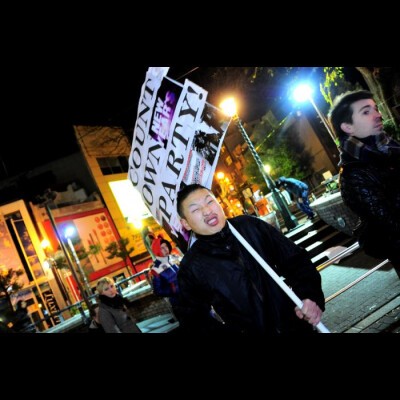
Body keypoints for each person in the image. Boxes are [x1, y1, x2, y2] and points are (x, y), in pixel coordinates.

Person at [175, 183, 325, 335]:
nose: (207, 211)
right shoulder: (191, 266)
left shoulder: (250, 226)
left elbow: (296, 260)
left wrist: (309, 296)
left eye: (209, 201)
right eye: (195, 209)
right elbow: (192, 320)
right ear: (185, 223)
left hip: (296, 326)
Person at [328, 89, 400, 278]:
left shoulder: (391, 149)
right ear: (347, 127)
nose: (378, 115)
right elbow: (391, 224)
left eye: (375, 109)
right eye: (366, 112)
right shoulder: (354, 174)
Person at [149, 238, 180, 314]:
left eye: (166, 246)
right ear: (157, 250)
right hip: (178, 302)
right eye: (162, 248)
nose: (166, 249)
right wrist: (173, 290)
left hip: (191, 295)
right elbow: (158, 291)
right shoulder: (156, 269)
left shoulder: (174, 258)